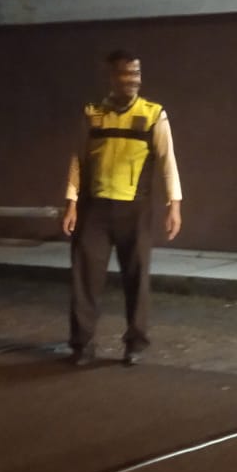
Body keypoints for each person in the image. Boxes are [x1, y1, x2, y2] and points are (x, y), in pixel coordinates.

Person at [62, 50, 182, 367]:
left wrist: (174, 205)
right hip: (95, 210)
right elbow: (77, 159)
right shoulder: (93, 114)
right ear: (111, 77)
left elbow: (167, 161)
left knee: (136, 278)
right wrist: (71, 202)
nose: (132, 80)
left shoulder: (153, 114)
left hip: (135, 210)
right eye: (125, 74)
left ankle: (135, 344)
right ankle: (82, 345)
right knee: (85, 280)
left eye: (136, 74)